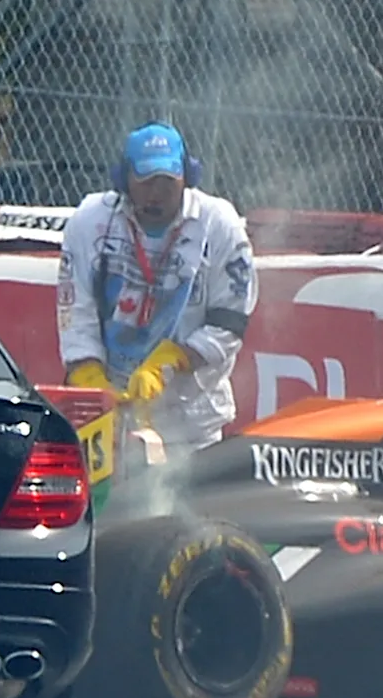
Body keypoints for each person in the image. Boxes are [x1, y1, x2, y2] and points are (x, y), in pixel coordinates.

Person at [56, 121, 255, 456]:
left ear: (187, 177)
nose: (157, 194)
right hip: (109, 414)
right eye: (146, 182)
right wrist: (87, 374)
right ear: (124, 180)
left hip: (193, 423)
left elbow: (231, 321)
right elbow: (75, 309)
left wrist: (171, 360)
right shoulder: (89, 221)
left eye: (167, 182)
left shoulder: (220, 225)